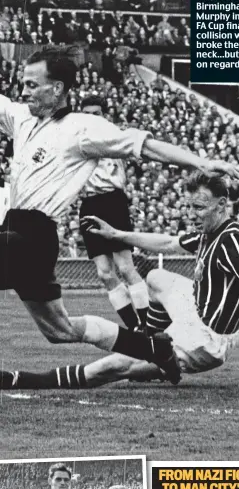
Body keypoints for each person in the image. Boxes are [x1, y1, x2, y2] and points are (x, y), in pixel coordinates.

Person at [0, 47, 239, 385]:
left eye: (30, 84)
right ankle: (153, 348)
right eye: (21, 84)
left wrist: (199, 163)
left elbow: (145, 145)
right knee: (60, 330)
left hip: (33, 237)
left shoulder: (83, 128)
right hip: (13, 229)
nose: (23, 91)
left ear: (56, 89)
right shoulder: (21, 117)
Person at [3, 172, 239, 391]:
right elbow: (167, 242)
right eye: (189, 207)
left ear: (222, 205)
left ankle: (20, 380)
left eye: (199, 208)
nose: (191, 215)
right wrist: (117, 236)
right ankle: (150, 343)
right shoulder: (209, 232)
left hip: (207, 339)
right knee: (156, 277)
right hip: (195, 310)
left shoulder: (232, 238)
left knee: (114, 366)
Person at [79, 95, 149, 330]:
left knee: (126, 267)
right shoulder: (75, 140)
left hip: (112, 200)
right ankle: (134, 328)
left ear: (104, 115)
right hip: (88, 205)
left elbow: (142, 151)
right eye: (87, 113)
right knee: (105, 273)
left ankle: (149, 325)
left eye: (96, 113)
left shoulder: (116, 137)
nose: (91, 118)